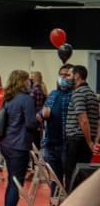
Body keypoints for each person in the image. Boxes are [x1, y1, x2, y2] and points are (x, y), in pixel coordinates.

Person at [0, 70, 39, 206]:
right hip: (19, 144)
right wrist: (39, 119)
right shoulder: (27, 99)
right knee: (17, 182)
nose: (30, 83)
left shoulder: (8, 98)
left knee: (11, 180)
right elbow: (30, 123)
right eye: (28, 80)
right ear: (22, 81)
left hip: (6, 143)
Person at [63, 65, 99, 191]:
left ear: (77, 76)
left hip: (77, 141)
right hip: (86, 142)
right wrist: (93, 141)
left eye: (69, 75)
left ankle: (71, 203)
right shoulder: (93, 94)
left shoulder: (78, 94)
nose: (67, 78)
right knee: (82, 178)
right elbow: (98, 121)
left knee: (72, 179)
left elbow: (83, 120)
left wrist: (89, 141)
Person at [41, 64, 74, 192]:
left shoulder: (73, 95)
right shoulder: (53, 93)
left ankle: (68, 202)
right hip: (50, 142)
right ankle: (54, 203)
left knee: (69, 177)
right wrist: (42, 114)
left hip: (65, 143)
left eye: (66, 75)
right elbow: (42, 111)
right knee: (54, 178)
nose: (63, 78)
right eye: (61, 75)